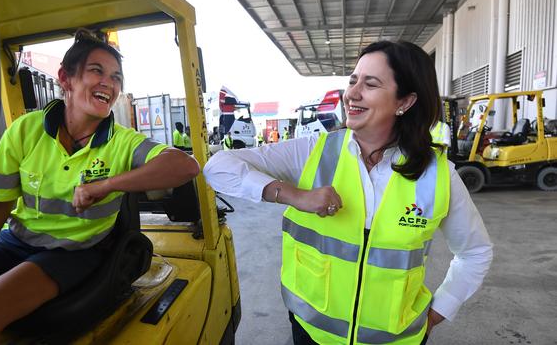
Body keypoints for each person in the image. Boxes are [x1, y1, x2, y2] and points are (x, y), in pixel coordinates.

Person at [0, 30, 199, 344]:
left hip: (74, 252)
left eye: (116, 77)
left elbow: (185, 166)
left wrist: (107, 184)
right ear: (66, 78)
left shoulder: (122, 142)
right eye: (96, 71)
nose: (109, 83)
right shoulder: (26, 130)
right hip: (15, 241)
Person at [204, 41, 493, 345]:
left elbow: (475, 252)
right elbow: (218, 167)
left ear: (404, 102)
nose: (352, 93)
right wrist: (293, 195)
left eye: (371, 83)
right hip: (311, 334)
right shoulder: (313, 151)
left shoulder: (438, 175)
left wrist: (438, 311)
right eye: (353, 80)